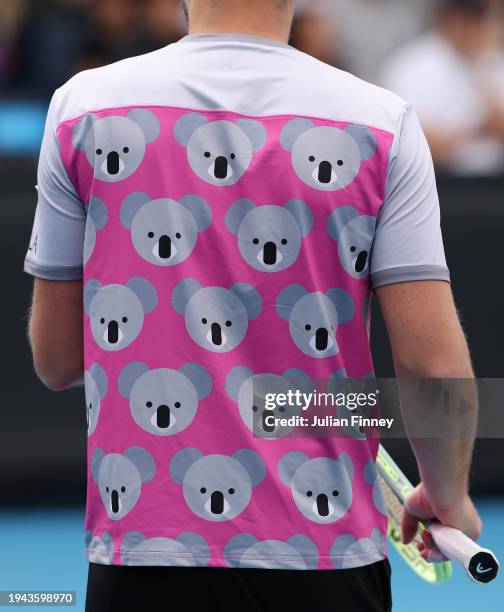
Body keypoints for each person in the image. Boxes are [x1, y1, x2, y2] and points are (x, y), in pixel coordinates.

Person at [24, 1, 482, 610]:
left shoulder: (81, 110)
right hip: (327, 559)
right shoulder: (382, 123)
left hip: (142, 553)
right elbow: (431, 367)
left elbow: (56, 358)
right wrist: (448, 495)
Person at [381, 0, 504, 175]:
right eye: (472, 18)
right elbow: (408, 143)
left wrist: (482, 70)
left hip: (495, 181)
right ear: (449, 17)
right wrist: (477, 131)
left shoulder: (492, 59)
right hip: (439, 181)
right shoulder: (412, 65)